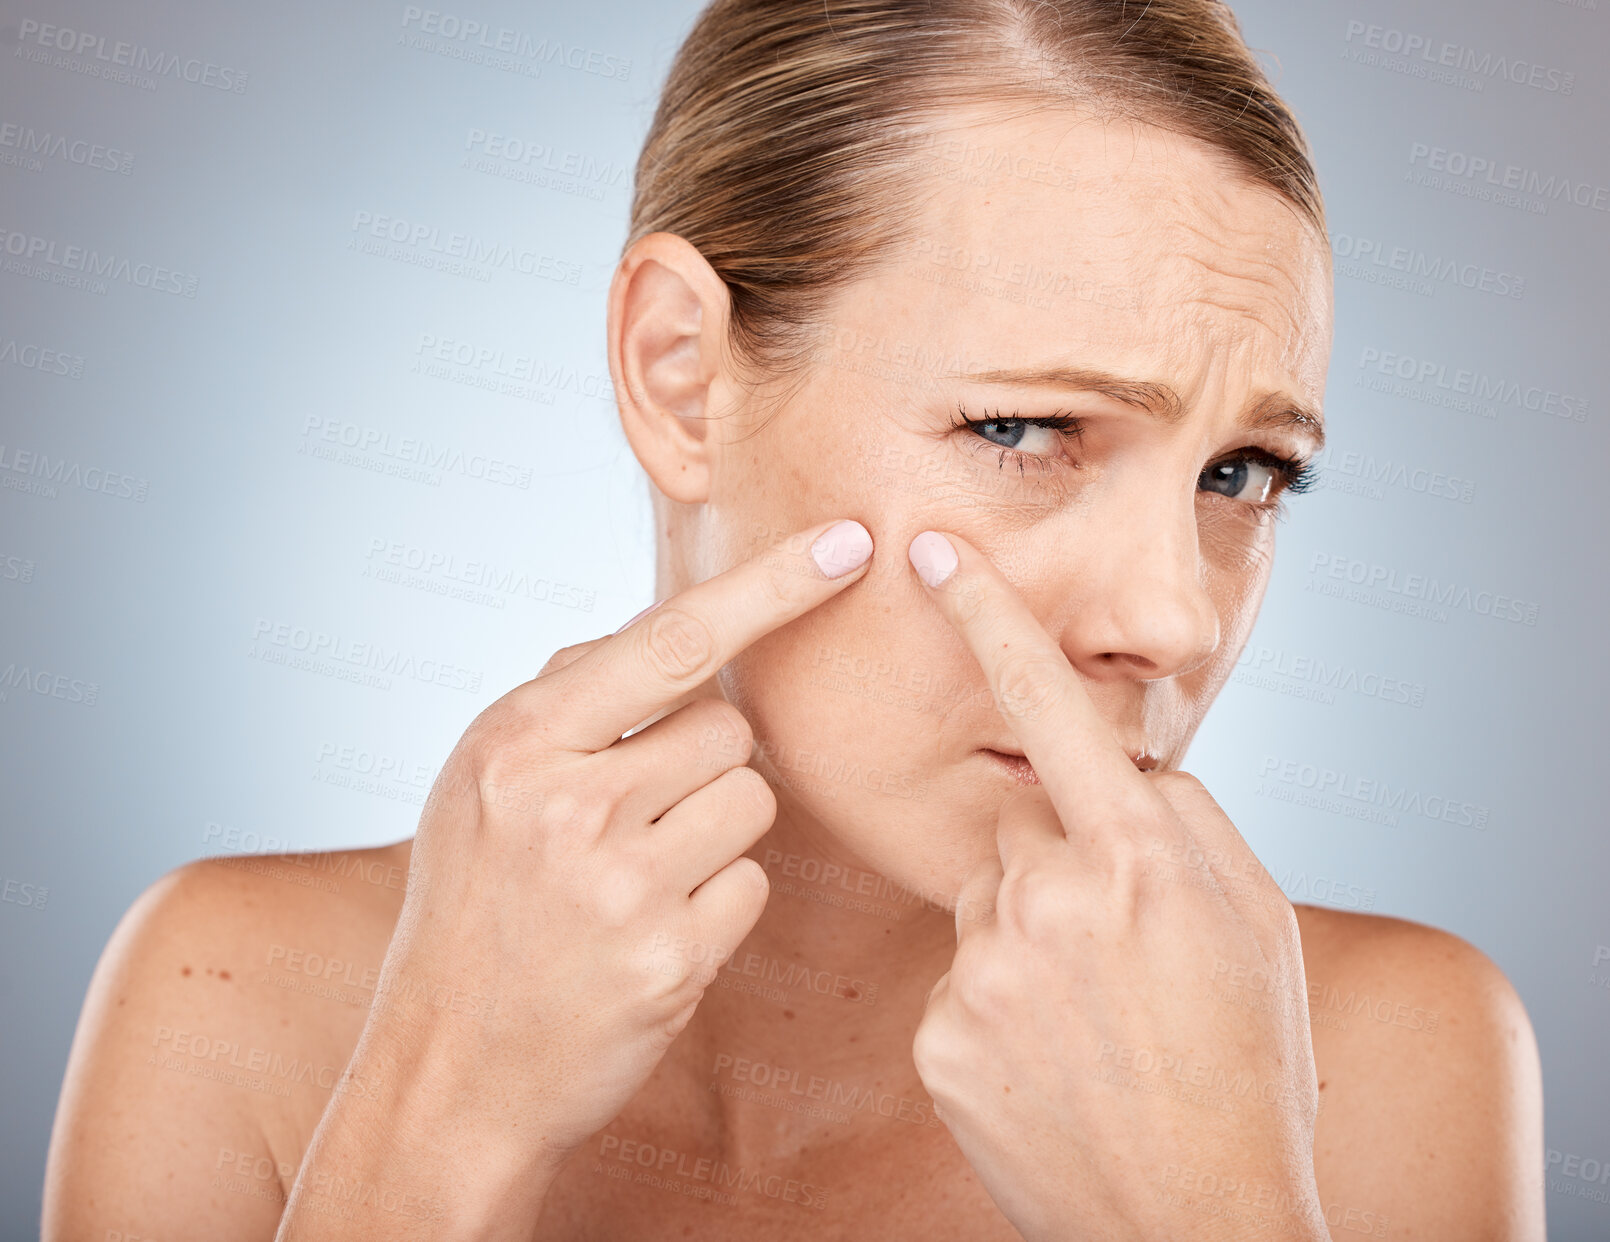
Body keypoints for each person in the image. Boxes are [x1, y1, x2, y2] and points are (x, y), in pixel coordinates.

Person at [42, 1, 1545, 1237]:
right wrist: (437, 1117)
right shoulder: (228, 1002)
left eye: (1244, 471)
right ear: (681, 372)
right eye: (1025, 430)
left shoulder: (1388, 1066)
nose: (1170, 615)